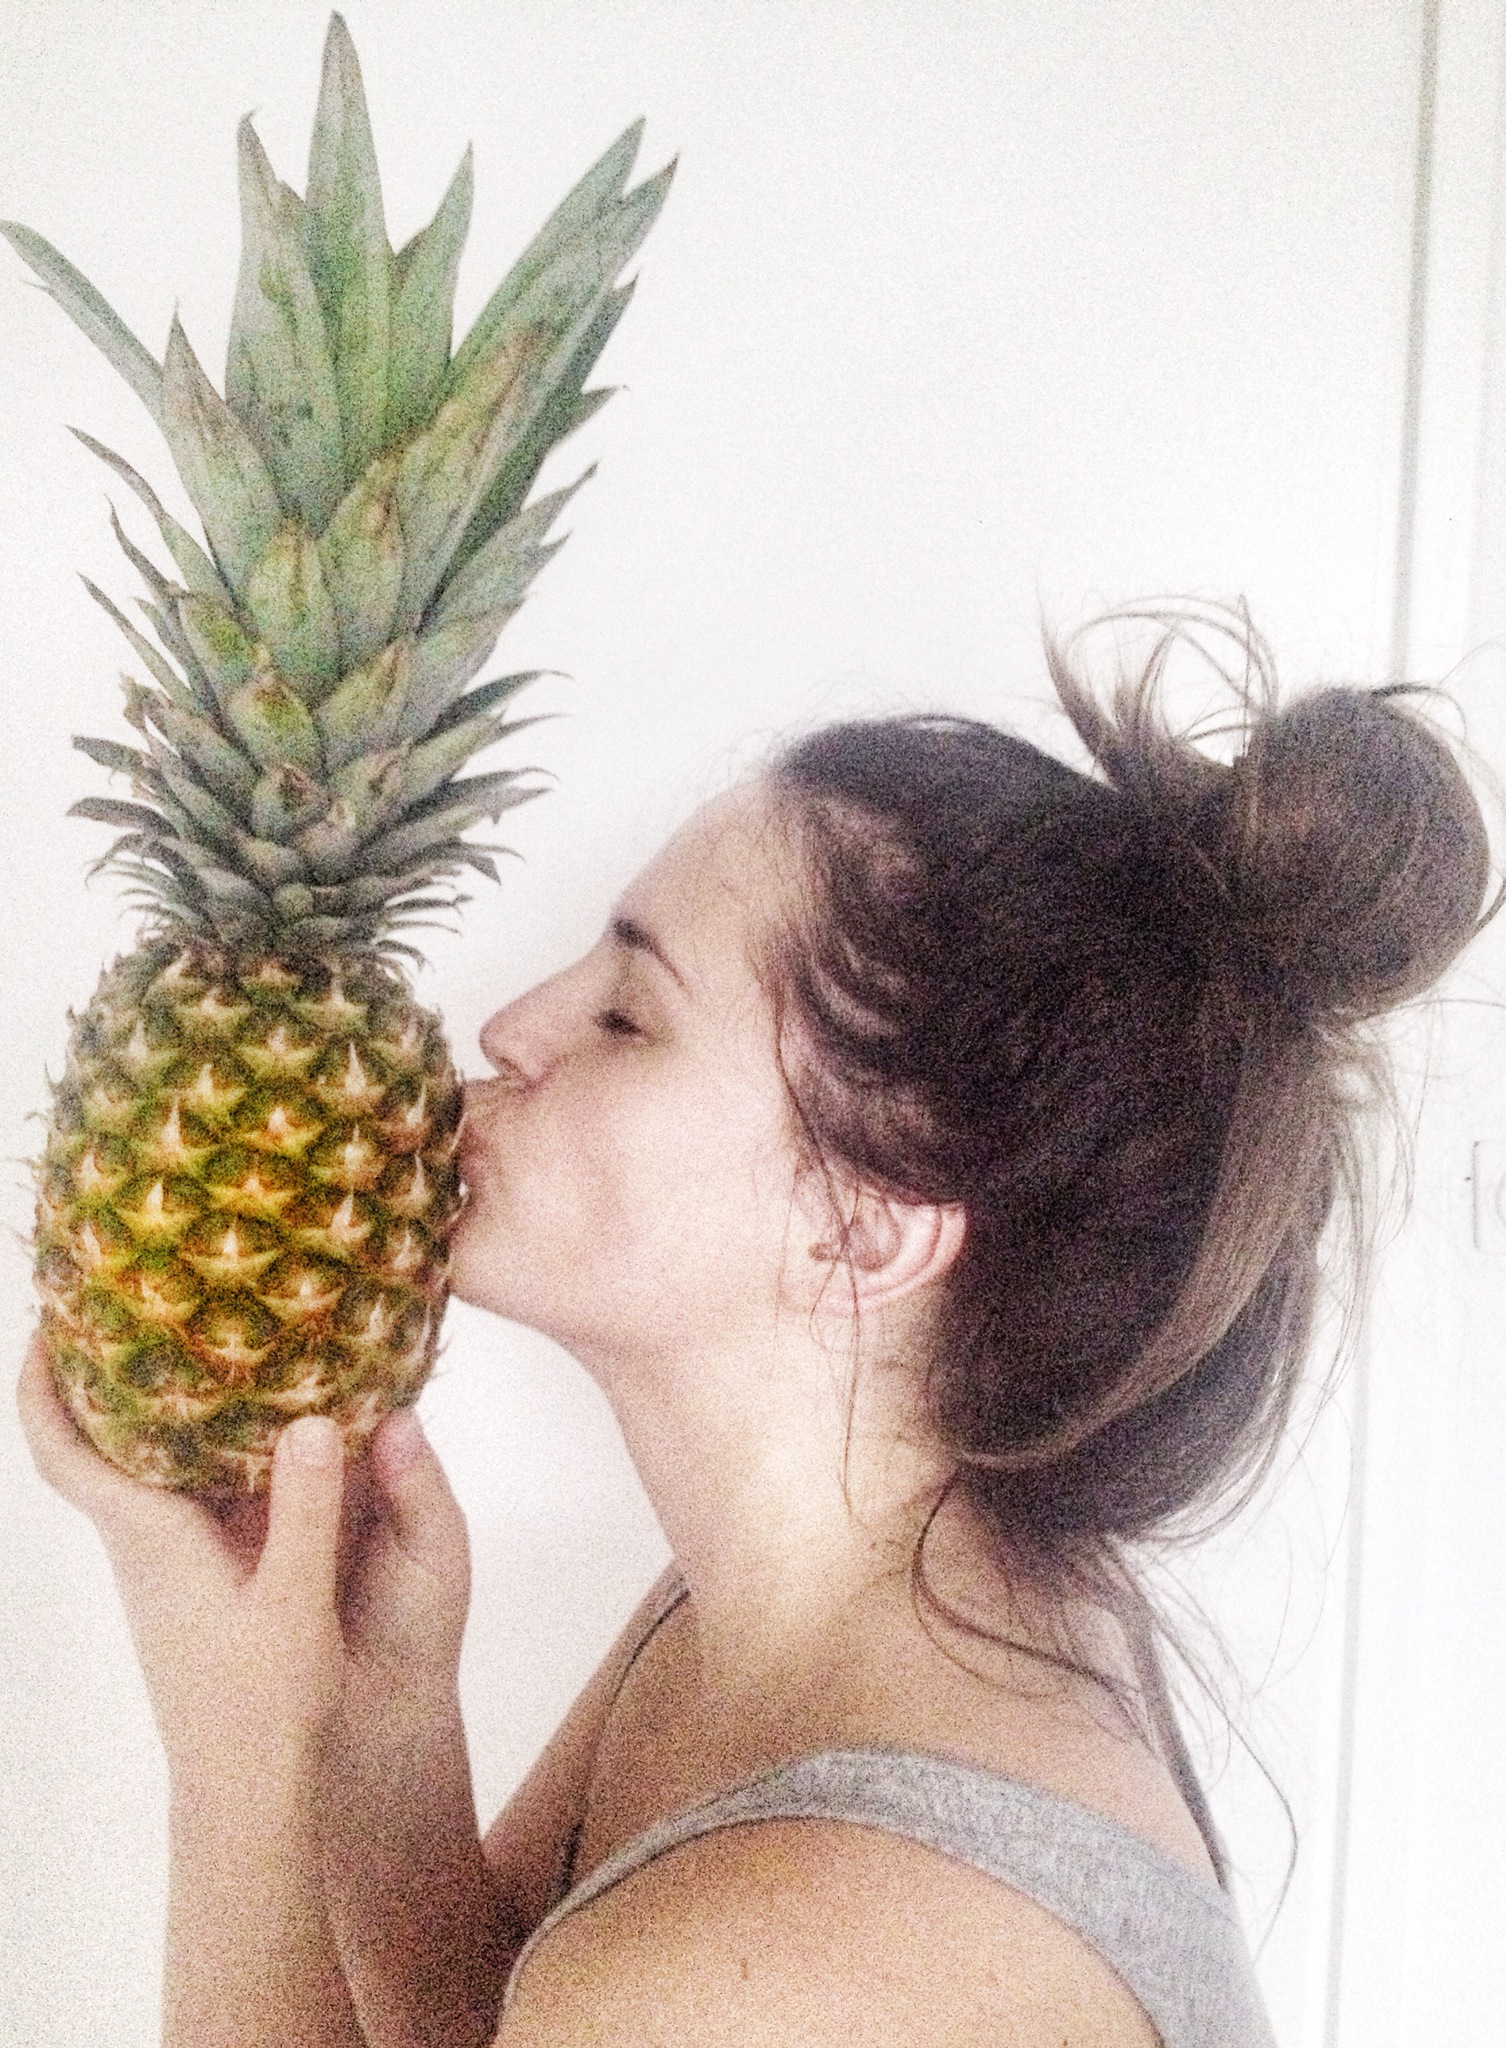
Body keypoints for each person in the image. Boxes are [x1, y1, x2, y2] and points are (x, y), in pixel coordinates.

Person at [20, 600, 1497, 2047]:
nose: (511, 1025)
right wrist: (385, 1729)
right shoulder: (799, 1609)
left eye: (627, 1014)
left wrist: (234, 1749)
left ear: (861, 1229)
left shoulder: (817, 1966)